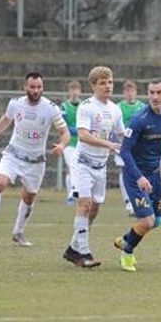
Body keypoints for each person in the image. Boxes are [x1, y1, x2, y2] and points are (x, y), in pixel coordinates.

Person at [0, 72, 69, 247]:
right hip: (13, 155)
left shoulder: (50, 108)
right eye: (32, 87)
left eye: (39, 87)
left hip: (36, 161)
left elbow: (65, 132)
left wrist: (62, 145)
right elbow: (5, 120)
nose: (36, 90)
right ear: (25, 87)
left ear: (42, 88)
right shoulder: (15, 104)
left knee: (29, 197)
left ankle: (18, 232)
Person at [112, 79, 161, 272]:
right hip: (136, 176)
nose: (154, 97)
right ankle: (127, 253)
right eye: (151, 93)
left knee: (158, 220)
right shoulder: (139, 119)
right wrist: (138, 177)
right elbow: (125, 151)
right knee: (147, 221)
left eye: (159, 92)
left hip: (154, 174)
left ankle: (126, 239)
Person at [64, 66, 124, 268]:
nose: (108, 86)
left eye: (110, 82)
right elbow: (83, 135)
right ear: (93, 86)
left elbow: (121, 134)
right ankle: (84, 253)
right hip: (82, 163)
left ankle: (73, 248)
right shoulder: (87, 106)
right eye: (103, 83)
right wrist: (108, 144)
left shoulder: (115, 109)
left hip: (100, 166)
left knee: (95, 208)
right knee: (85, 204)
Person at [114, 79, 145, 215]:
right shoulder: (118, 107)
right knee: (124, 171)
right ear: (124, 93)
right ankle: (128, 201)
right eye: (127, 91)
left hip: (138, 147)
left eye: (132, 91)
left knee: (138, 172)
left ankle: (139, 201)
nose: (130, 94)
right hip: (123, 145)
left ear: (136, 92)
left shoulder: (143, 107)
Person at [60, 79, 82, 203]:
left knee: (75, 168)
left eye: (76, 90)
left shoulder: (84, 105)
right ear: (69, 91)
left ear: (80, 91)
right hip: (68, 142)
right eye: (72, 90)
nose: (74, 92)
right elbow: (63, 125)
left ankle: (72, 194)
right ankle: (72, 193)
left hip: (82, 143)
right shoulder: (64, 106)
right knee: (72, 166)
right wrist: (71, 130)